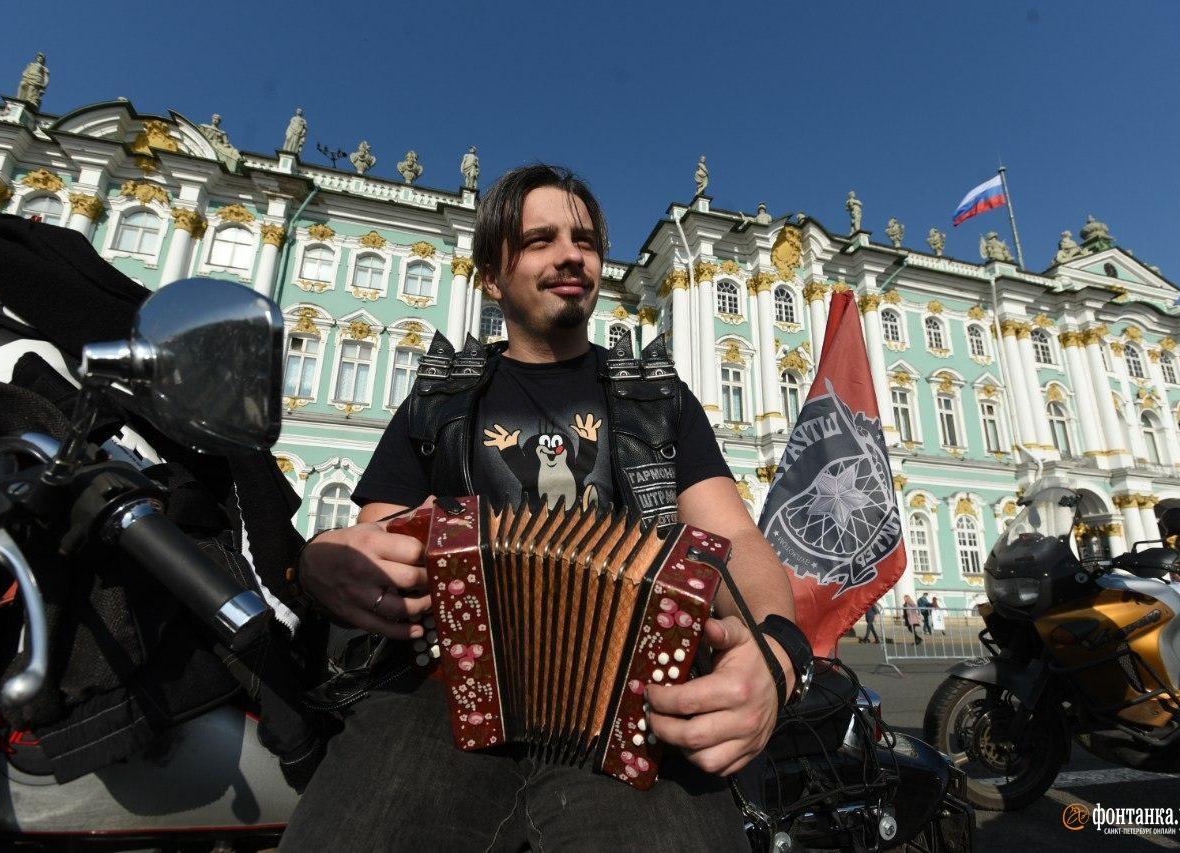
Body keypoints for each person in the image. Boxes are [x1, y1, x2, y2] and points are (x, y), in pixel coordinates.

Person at [281, 164, 804, 850]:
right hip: (433, 695)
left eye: (585, 240)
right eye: (540, 239)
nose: (570, 254)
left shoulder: (659, 398)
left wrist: (779, 653)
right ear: (492, 277)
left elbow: (732, 535)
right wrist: (322, 561)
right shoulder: (437, 401)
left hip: (635, 698)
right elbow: (374, 536)